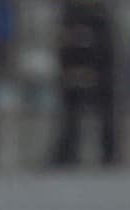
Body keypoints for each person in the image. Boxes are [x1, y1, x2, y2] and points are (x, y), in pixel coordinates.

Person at [50, 0, 117, 166]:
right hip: (75, 15)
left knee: (103, 92)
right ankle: (68, 149)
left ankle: (108, 152)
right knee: (71, 90)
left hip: (97, 17)